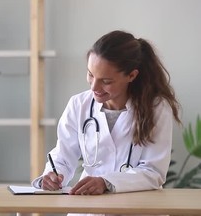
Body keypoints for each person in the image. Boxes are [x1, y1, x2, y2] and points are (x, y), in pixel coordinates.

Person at [32, 30, 181, 199]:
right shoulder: (79, 105)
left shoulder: (157, 108)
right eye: (90, 74)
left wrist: (106, 182)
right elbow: (63, 156)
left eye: (106, 81)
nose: (94, 87)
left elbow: (153, 172)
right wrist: (54, 175)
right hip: (89, 206)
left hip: (136, 207)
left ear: (131, 75)